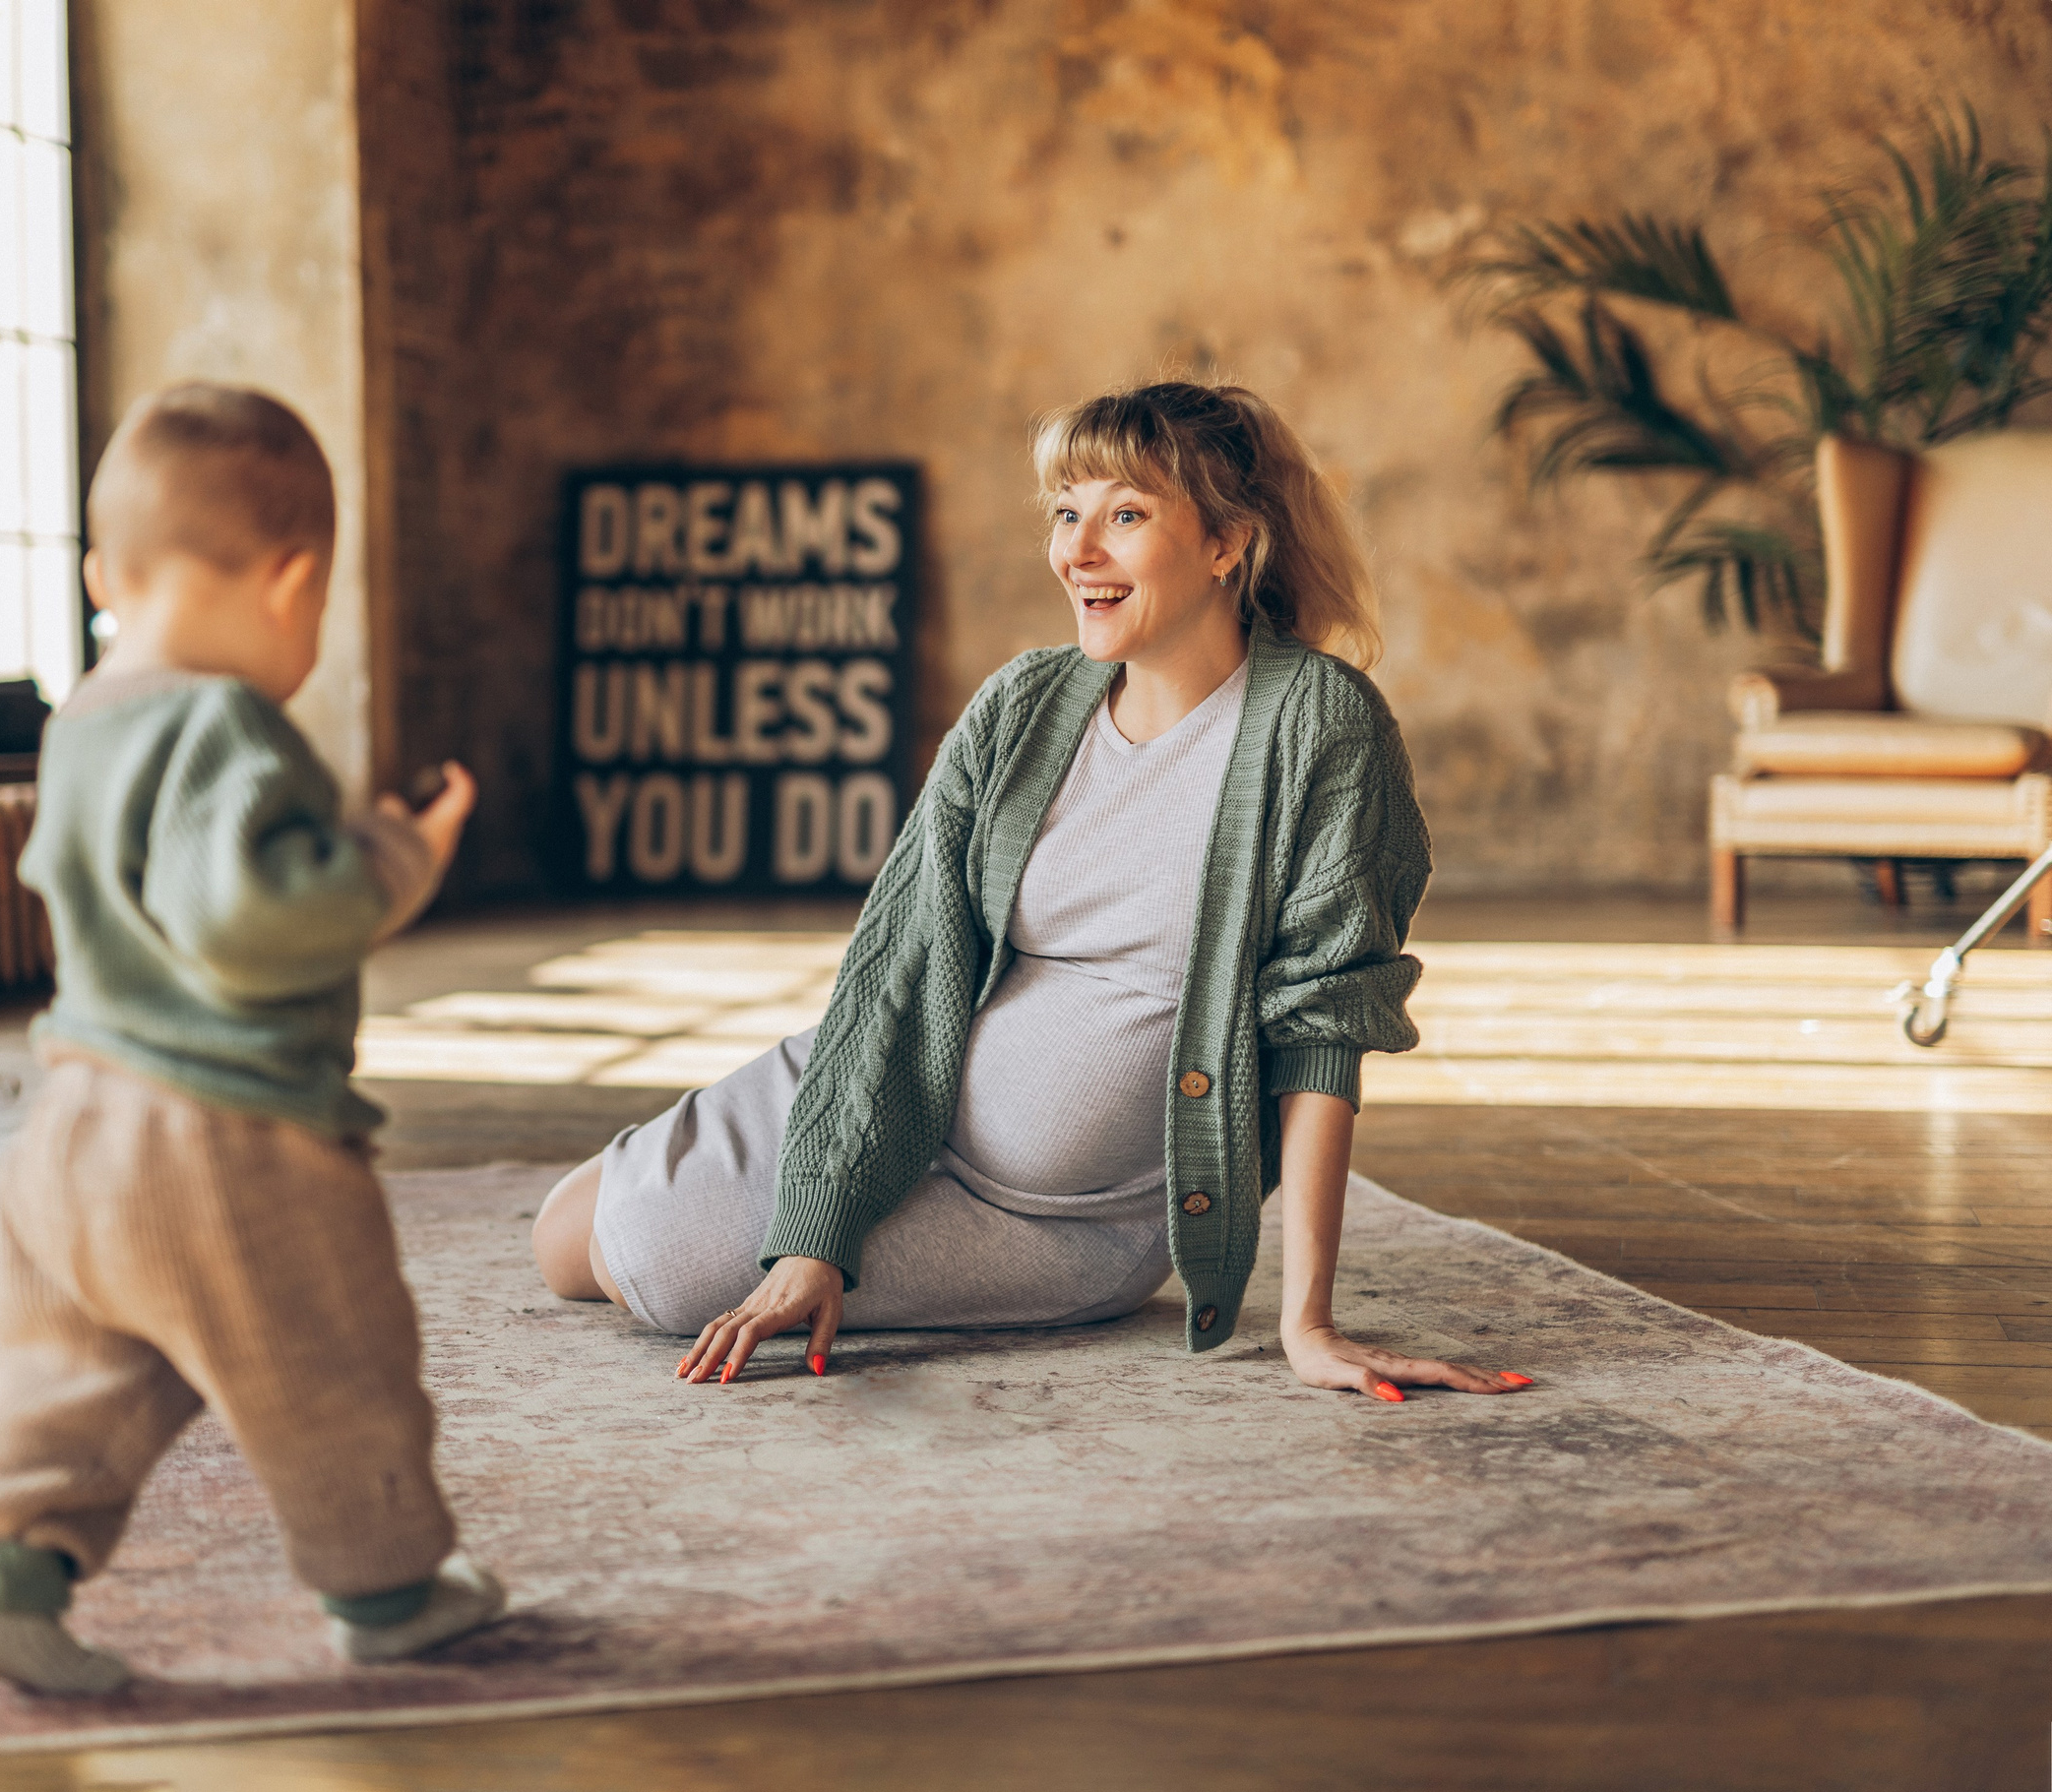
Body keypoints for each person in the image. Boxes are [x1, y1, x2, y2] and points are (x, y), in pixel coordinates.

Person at [532, 379, 1533, 1405]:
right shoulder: (1021, 702)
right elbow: (907, 960)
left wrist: (1306, 1320)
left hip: (1064, 1221)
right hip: (895, 1100)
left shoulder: (1320, 725)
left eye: (1126, 515)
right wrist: (817, 1231)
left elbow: (1326, 1019)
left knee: (655, 1272)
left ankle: (686, 1186)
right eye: (1066, 513)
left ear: (1229, 541)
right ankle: (728, 1166)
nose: (1078, 550)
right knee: (562, 1243)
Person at [0, 383, 502, 1695]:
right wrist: (396, 853)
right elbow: (251, 918)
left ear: (104, 573)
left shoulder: (83, 720)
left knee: (71, 1374)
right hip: (223, 1141)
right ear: (294, 583)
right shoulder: (223, 725)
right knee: (332, 1360)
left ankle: (1, 1573)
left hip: (69, 1123)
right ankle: (390, 1590)